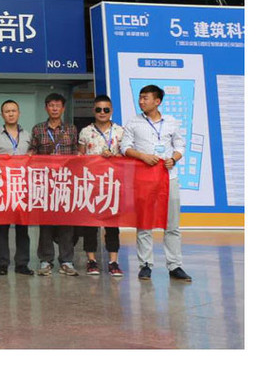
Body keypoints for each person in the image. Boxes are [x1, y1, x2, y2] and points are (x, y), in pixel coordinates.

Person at [121, 85, 192, 283]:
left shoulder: (171, 122)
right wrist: (142, 156)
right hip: (144, 177)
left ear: (157, 101)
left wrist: (174, 158)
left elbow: (180, 145)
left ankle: (175, 265)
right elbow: (124, 147)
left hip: (169, 177)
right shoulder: (133, 122)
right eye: (140, 98)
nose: (141, 101)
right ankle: (145, 265)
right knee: (144, 222)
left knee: (172, 224)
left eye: (145, 98)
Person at [29, 92, 80, 277]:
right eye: (51, 105)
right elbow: (32, 152)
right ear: (46, 108)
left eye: (58, 105)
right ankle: (45, 261)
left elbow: (76, 153)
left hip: (66, 182)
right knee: (46, 223)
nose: (55, 109)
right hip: (45, 182)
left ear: (63, 108)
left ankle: (66, 261)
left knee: (67, 222)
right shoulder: (38, 129)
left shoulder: (71, 129)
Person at [77, 95, 125, 277]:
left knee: (112, 225)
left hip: (113, 184)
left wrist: (115, 157)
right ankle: (91, 260)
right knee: (90, 225)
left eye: (106, 109)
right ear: (93, 111)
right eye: (98, 109)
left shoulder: (120, 131)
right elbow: (80, 157)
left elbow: (127, 155)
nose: (102, 112)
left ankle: (113, 261)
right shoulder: (85, 132)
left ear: (111, 110)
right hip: (91, 184)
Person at [0, 100, 34, 276]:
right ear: (2, 115)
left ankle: (22, 263)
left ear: (19, 113)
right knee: (2, 228)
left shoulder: (28, 135)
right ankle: (2, 264)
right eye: (7, 111)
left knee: (23, 227)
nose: (11, 114)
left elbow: (33, 159)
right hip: (3, 187)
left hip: (23, 186)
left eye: (14, 110)